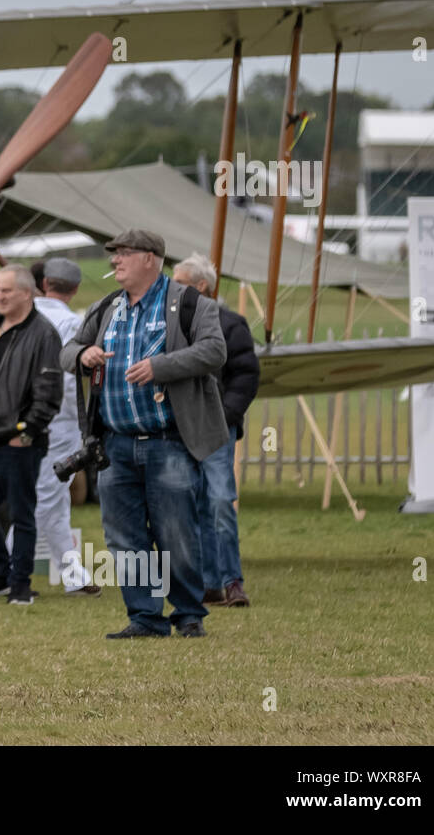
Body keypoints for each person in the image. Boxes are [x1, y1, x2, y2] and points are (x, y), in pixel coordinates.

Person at [60, 230, 227, 638]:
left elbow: (214, 351)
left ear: (150, 259)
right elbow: (66, 351)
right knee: (124, 537)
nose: (115, 261)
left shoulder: (191, 303)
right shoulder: (105, 307)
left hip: (168, 441)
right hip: (114, 444)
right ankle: (145, 618)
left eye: (124, 254)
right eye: (114, 255)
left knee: (176, 533)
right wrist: (83, 355)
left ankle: (188, 615)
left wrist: (161, 367)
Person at [0, 264, 64, 605]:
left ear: (27, 293)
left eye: (7, 291)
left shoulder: (44, 334)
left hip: (19, 441)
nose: (0, 296)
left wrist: (28, 430)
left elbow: (49, 389)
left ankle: (20, 584)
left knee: (21, 513)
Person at [171, 253, 260, 608]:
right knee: (191, 506)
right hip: (177, 429)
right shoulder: (168, 323)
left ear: (200, 286)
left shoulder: (231, 323)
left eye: (179, 283)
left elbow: (246, 376)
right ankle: (207, 583)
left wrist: (224, 416)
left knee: (221, 501)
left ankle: (232, 580)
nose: (171, 289)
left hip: (217, 428)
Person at [13, 257, 100, 597]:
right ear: (75, 289)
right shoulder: (71, 323)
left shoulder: (23, 317)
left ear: (42, 283)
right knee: (46, 496)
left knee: (55, 499)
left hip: (22, 417)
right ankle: (5, 565)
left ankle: (73, 574)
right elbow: (68, 379)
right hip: (58, 419)